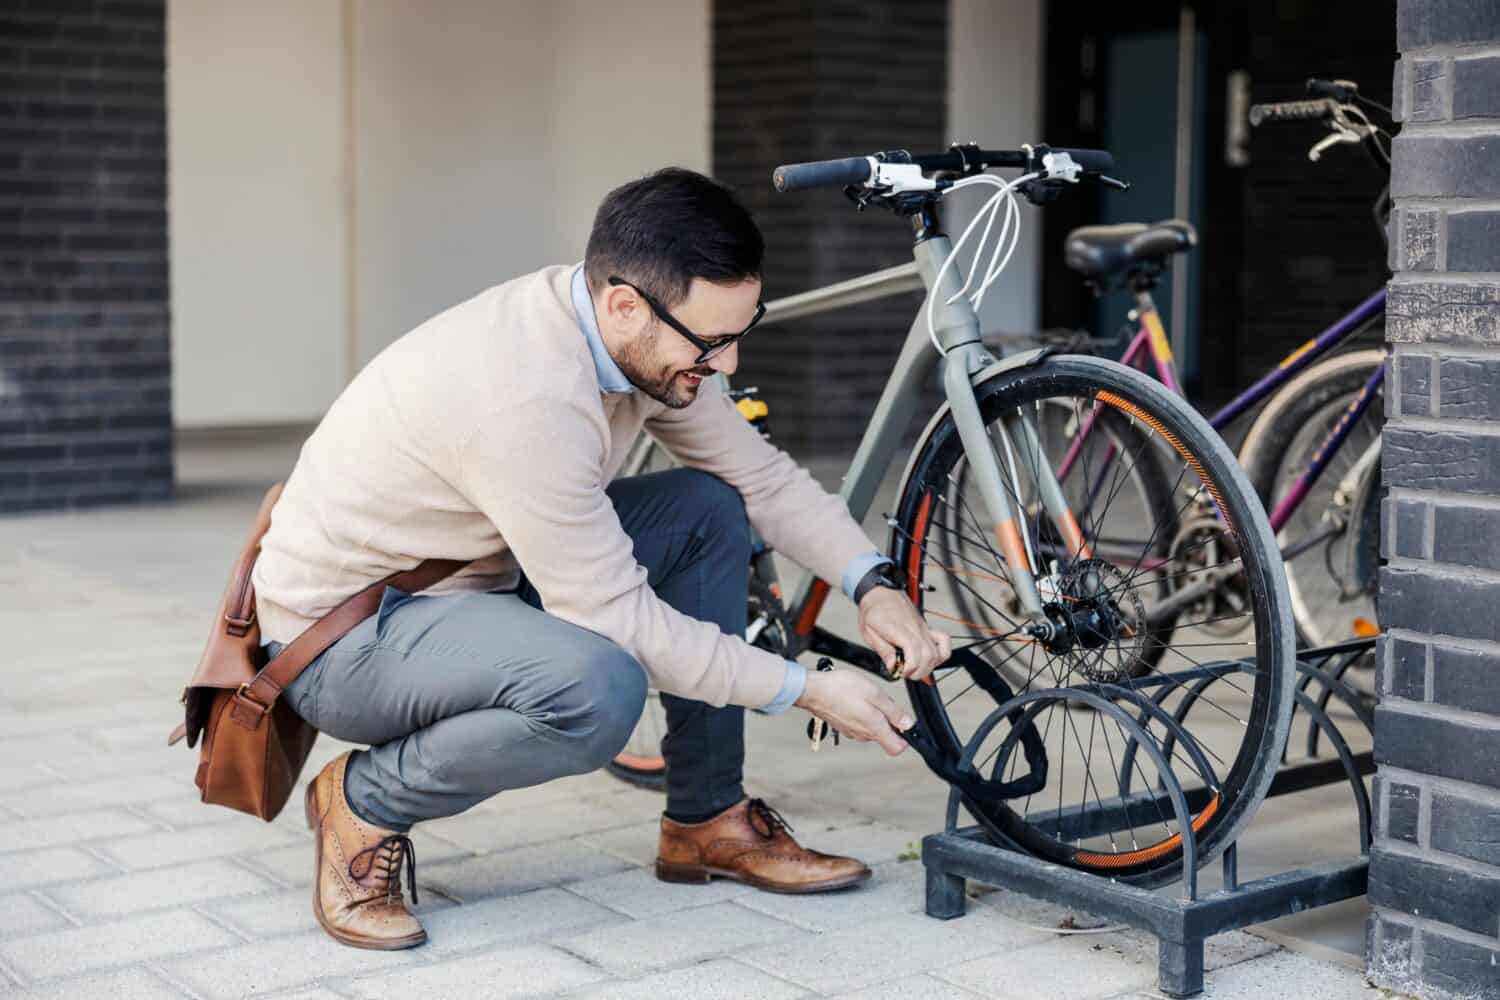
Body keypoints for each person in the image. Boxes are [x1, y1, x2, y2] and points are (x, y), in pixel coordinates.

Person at [255, 167, 951, 950]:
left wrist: (873, 584)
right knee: (597, 686)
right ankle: (364, 800)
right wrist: (807, 688)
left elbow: (758, 477)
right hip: (346, 640)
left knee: (706, 508)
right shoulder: (527, 397)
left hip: (475, 581)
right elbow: (616, 617)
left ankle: (706, 820)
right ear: (625, 305)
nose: (727, 364)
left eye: (739, 335)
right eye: (712, 342)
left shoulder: (636, 339)